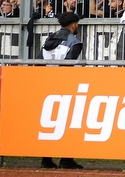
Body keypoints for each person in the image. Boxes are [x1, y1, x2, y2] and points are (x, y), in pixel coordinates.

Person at [41, 12, 84, 170]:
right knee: (69, 122)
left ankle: (46, 159)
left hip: (47, 86)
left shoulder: (49, 40)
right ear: (73, 25)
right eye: (77, 24)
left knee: (48, 122)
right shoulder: (74, 42)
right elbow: (69, 66)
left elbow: (38, 62)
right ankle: (66, 159)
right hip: (66, 87)